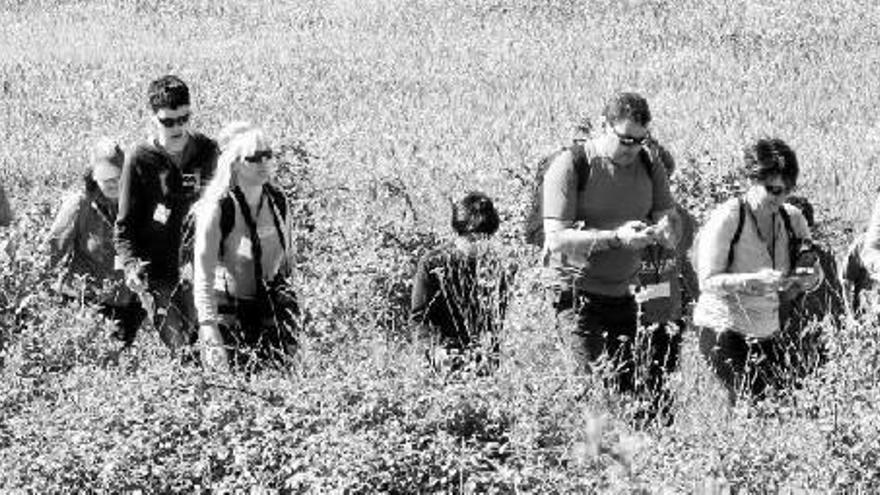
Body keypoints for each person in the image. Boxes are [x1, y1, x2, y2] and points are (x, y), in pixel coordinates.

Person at [541, 92, 679, 404]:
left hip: (623, 292)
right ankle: (585, 449)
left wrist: (661, 232)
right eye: (626, 139)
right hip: (575, 291)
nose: (632, 148)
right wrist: (616, 238)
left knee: (634, 392)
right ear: (604, 125)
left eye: (640, 140)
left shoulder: (649, 163)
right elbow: (557, 239)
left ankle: (630, 450)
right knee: (588, 389)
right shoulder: (572, 165)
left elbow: (669, 224)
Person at [693, 138, 821, 404]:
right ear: (752, 180)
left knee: (775, 406)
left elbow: (812, 270)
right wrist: (749, 281)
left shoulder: (793, 218)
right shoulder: (728, 217)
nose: (781, 197)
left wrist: (805, 280)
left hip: (768, 329)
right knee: (750, 402)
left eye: (787, 190)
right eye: (773, 189)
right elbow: (707, 281)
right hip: (723, 325)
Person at [114, 75, 218, 354]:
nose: (178, 128)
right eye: (168, 121)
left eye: (184, 118)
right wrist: (130, 266)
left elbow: (225, 207)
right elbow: (124, 227)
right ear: (153, 118)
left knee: (207, 343)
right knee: (180, 348)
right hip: (157, 271)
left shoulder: (207, 151)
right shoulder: (139, 159)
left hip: (201, 267)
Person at [192, 126, 299, 372]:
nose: (263, 163)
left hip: (269, 307)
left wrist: (294, 318)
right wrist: (209, 332)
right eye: (253, 158)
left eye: (267, 155)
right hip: (228, 314)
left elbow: (289, 264)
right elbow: (203, 278)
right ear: (236, 163)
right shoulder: (217, 209)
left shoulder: (278, 201)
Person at [46, 138, 146, 345]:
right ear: (93, 176)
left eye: (117, 177)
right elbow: (50, 253)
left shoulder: (139, 204)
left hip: (129, 303)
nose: (112, 184)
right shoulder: (80, 205)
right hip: (85, 303)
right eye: (105, 179)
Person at [410, 192, 514, 374]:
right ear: (458, 233)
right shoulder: (433, 263)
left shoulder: (493, 266)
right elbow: (419, 319)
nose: (478, 245)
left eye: (485, 238)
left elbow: (498, 320)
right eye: (472, 239)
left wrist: (490, 353)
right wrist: (433, 353)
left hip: (482, 356)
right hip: (442, 354)